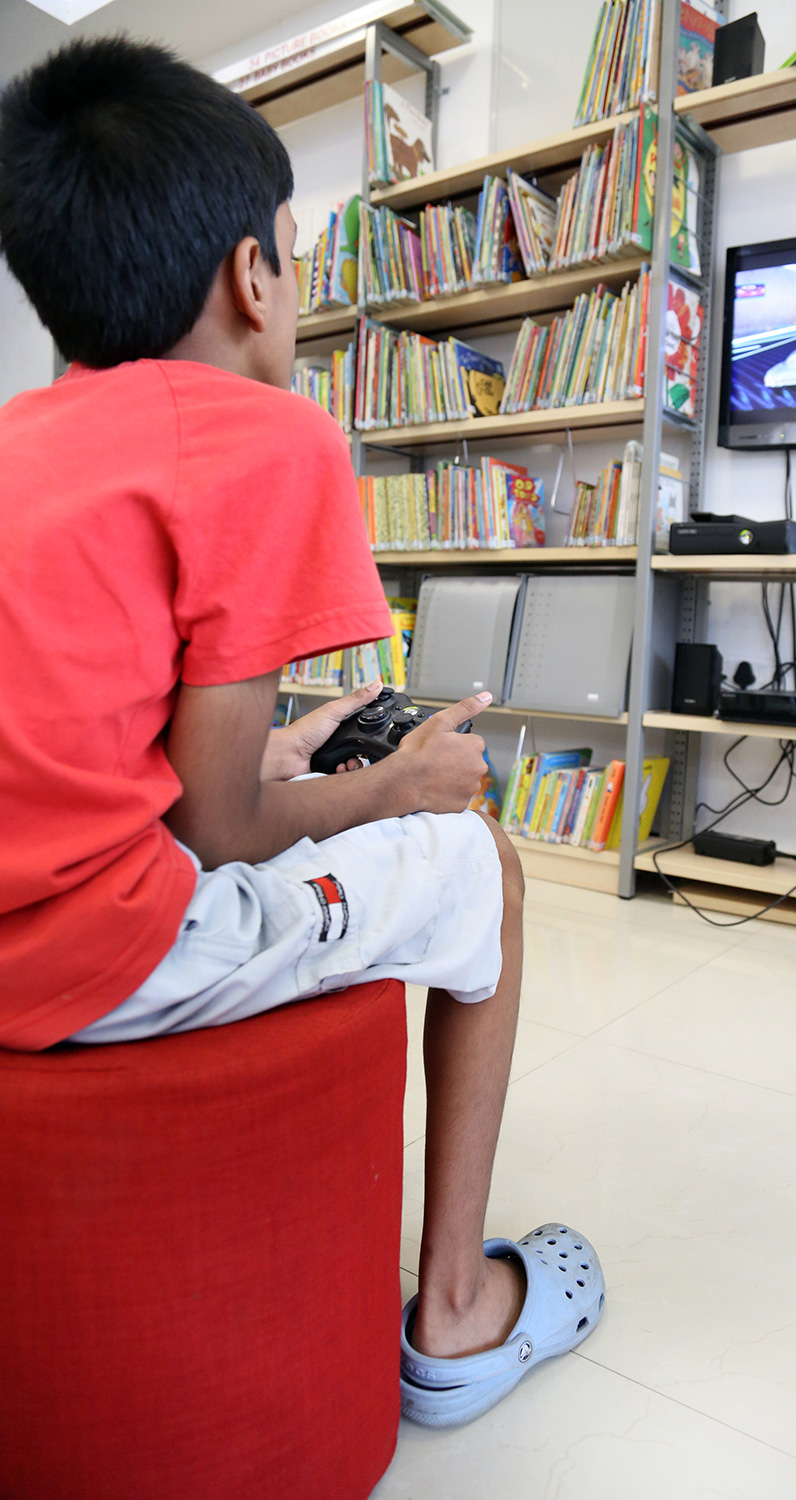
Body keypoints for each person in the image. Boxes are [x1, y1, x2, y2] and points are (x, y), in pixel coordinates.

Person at [0, 36, 602, 1428]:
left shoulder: (24, 438)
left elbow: (92, 744)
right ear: (251, 276)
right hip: (87, 960)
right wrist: (399, 784)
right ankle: (456, 1313)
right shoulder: (265, 435)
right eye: (294, 247)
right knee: (485, 864)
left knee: (325, 782)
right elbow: (220, 830)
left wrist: (280, 747)